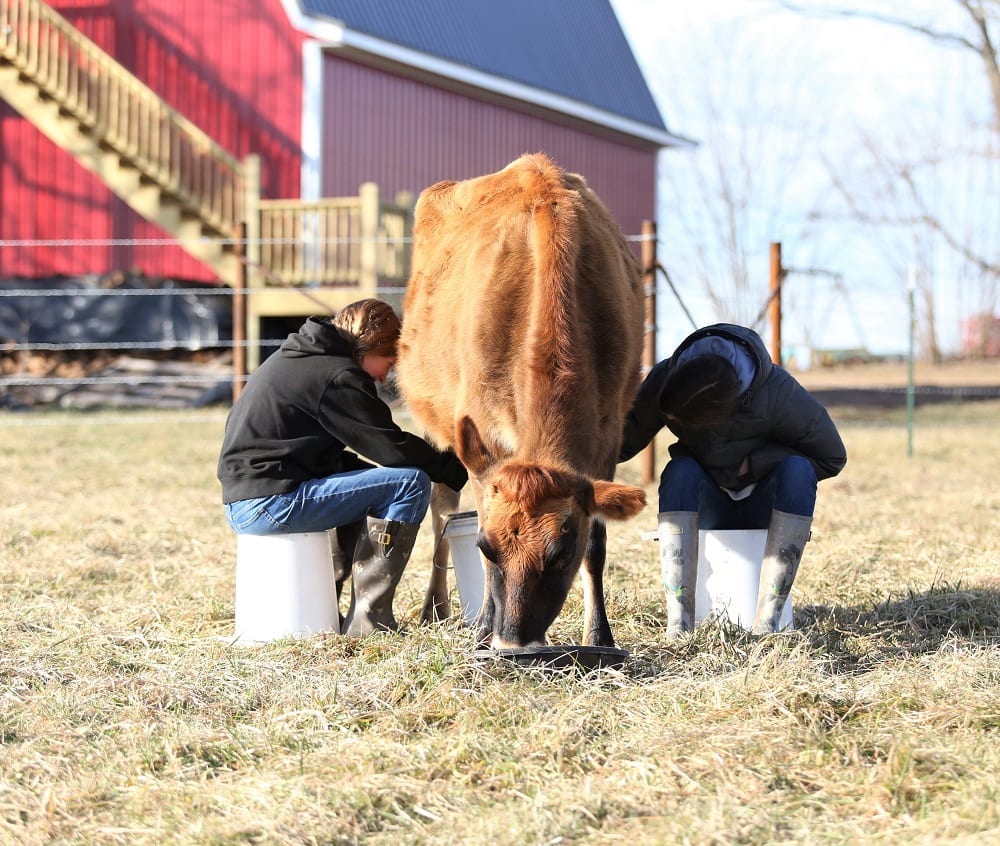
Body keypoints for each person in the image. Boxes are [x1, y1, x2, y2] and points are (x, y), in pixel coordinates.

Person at [217, 299, 468, 637]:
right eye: (389, 361)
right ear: (370, 347)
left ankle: (324, 601)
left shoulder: (298, 357)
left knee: (362, 481)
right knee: (410, 483)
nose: (387, 374)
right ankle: (369, 621)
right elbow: (390, 447)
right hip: (271, 503)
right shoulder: (337, 375)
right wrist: (452, 469)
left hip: (249, 498)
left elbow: (330, 459)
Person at [618, 323, 846, 637]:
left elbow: (832, 456)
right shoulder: (667, 378)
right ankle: (679, 623)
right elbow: (622, 442)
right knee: (679, 470)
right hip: (704, 501)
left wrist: (756, 464)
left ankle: (768, 622)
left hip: (764, 502)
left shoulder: (777, 391)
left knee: (798, 470)